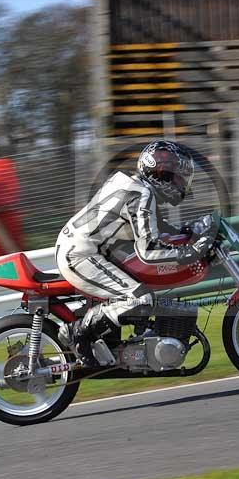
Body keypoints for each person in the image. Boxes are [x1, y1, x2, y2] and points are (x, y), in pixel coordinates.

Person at [55, 140, 217, 366]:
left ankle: (128, 343)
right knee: (141, 298)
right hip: (81, 254)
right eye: (179, 176)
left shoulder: (135, 187)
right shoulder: (140, 194)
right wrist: (190, 252)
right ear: (162, 174)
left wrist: (188, 231)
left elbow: (155, 227)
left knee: (140, 291)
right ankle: (77, 332)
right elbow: (149, 252)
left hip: (86, 250)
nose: (183, 183)